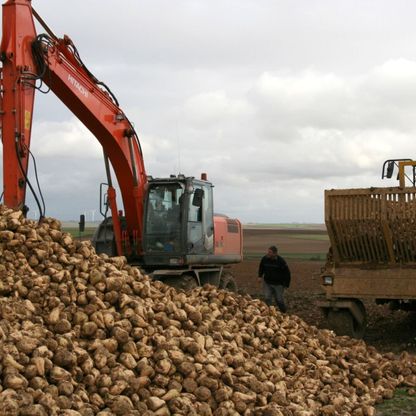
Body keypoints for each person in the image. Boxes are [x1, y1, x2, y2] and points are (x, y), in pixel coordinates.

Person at [258, 245, 291, 312]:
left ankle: (284, 312)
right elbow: (261, 267)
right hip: (267, 283)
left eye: (270, 252)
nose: (268, 253)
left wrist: (286, 284)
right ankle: (270, 312)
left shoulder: (281, 261)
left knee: (279, 300)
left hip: (278, 284)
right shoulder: (264, 259)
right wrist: (260, 276)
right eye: (268, 252)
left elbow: (287, 273)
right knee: (267, 298)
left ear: (275, 253)